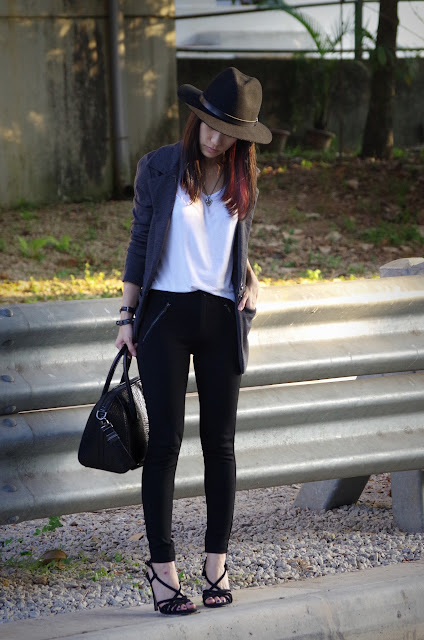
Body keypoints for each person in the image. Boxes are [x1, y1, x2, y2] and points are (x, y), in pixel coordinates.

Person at [115, 67, 272, 615]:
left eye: (228, 133)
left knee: (220, 446)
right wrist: (126, 315)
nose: (215, 139)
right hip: (165, 317)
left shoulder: (242, 177)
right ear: (196, 118)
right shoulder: (159, 167)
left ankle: (216, 565)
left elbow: (231, 243)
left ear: (241, 138)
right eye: (209, 125)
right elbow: (140, 242)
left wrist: (251, 277)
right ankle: (163, 572)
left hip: (221, 319)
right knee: (165, 445)